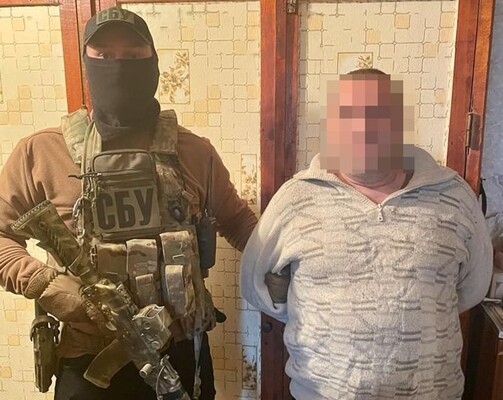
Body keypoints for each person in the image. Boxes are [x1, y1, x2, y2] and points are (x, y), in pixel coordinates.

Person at [0, 6, 257, 400]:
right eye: (104, 55)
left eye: (133, 55)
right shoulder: (41, 153)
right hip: (86, 359)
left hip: (179, 354)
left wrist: (290, 267)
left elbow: (239, 224)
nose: (118, 67)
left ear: (153, 63)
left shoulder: (194, 152)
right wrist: (45, 284)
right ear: (87, 64)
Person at [240, 68, 493, 399]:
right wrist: (320, 317)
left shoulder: (454, 195)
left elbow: (472, 287)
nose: (362, 127)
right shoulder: (295, 198)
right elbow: (257, 284)